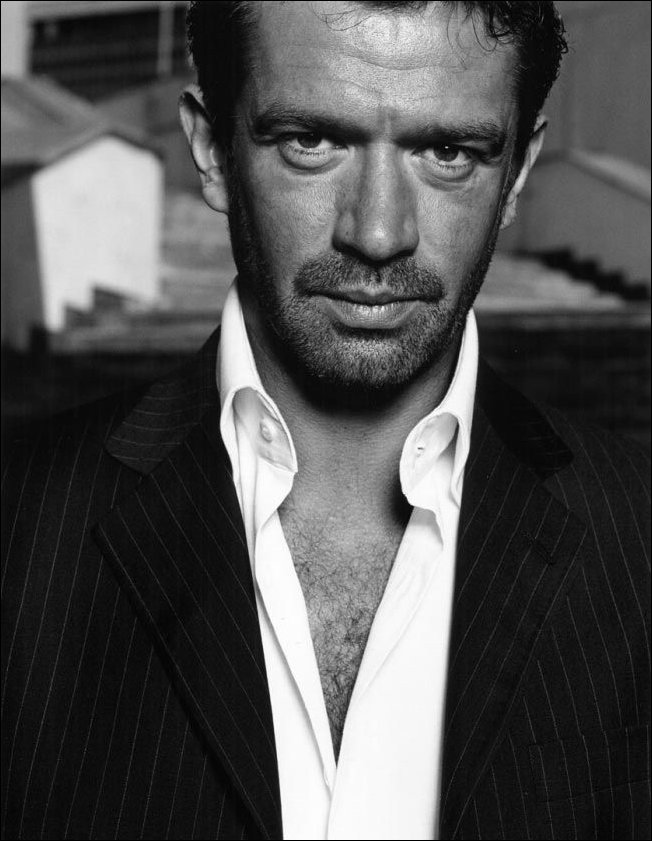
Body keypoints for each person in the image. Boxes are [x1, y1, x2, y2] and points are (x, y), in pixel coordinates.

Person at [1, 1, 649, 839]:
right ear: (211, 149)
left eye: (448, 152)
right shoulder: (21, 531)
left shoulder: (637, 539)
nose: (377, 233)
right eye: (311, 140)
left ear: (518, 172)